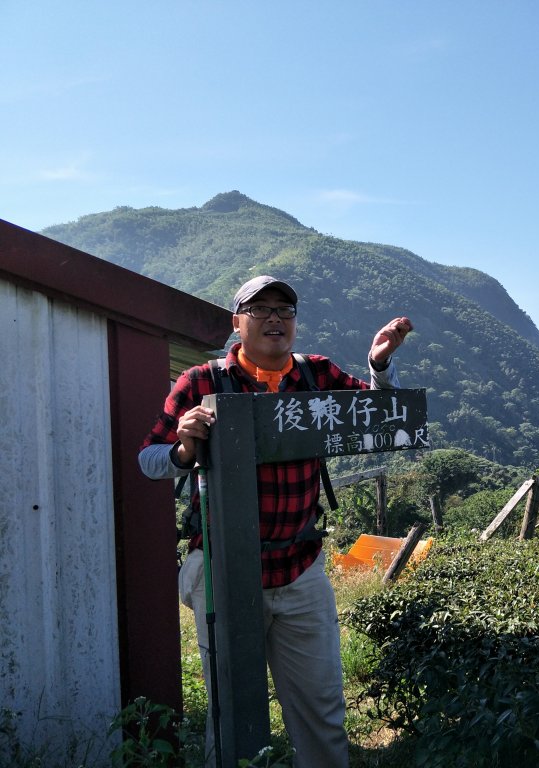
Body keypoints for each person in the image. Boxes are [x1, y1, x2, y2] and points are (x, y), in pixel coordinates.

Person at [138, 275, 413, 768]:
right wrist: (183, 445)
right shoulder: (202, 381)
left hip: (299, 569)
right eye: (260, 309)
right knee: (231, 711)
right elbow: (149, 461)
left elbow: (377, 418)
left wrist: (378, 364)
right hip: (223, 571)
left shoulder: (316, 375)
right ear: (236, 322)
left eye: (284, 310)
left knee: (321, 707)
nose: (274, 319)